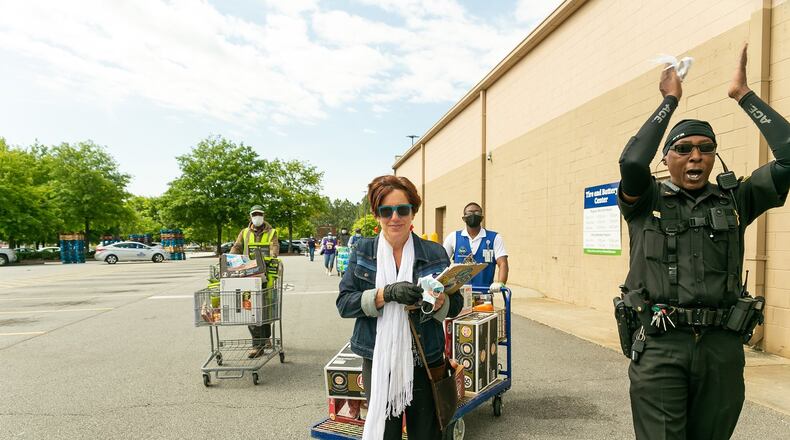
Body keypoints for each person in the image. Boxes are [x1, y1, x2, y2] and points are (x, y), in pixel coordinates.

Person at [617, 44, 789, 440]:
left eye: (705, 148)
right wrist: (670, 100)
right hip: (660, 347)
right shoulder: (646, 201)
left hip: (721, 349)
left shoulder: (736, 199)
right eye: (683, 148)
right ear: (665, 159)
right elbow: (630, 163)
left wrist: (744, 96)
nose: (695, 156)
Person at [337, 175, 463, 440]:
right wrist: (385, 294)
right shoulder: (363, 251)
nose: (395, 217)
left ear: (413, 211)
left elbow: (456, 305)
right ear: (376, 215)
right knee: (386, 435)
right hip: (378, 357)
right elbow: (344, 304)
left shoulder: (434, 252)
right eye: (386, 210)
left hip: (425, 358)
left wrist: (441, 303)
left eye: (402, 209)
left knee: (426, 434)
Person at [229, 205, 279, 358]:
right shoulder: (244, 232)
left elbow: (274, 248)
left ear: (263, 215)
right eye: (254, 214)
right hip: (248, 277)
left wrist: (271, 257)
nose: (257, 216)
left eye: (260, 214)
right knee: (250, 310)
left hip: (265, 277)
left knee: (265, 310)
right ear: (250, 216)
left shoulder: (272, 232)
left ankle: (265, 338)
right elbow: (237, 247)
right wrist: (229, 259)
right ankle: (257, 345)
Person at [443, 202, 509, 292]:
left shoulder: (494, 238)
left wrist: (500, 283)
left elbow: (503, 263)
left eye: (477, 212)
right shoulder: (453, 237)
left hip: (484, 292)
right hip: (459, 294)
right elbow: (442, 263)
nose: (473, 215)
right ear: (464, 218)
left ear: (482, 217)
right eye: (470, 213)